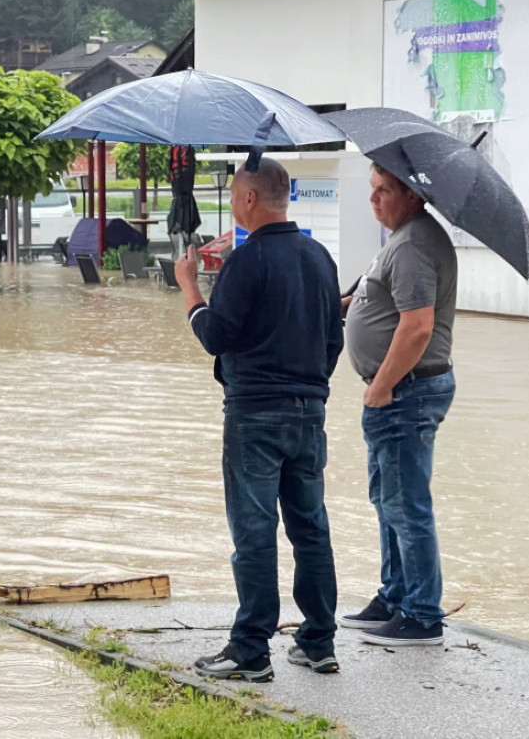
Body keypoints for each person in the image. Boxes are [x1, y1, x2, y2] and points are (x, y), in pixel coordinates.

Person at [176, 153, 344, 682]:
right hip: (309, 410)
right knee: (311, 528)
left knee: (254, 532)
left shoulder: (245, 262)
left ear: (249, 198)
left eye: (231, 198)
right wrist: (309, 385)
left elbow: (216, 337)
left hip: (254, 414)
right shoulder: (320, 257)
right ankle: (319, 641)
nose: (232, 207)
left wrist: (190, 289)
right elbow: (334, 339)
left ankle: (250, 649)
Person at [339, 163, 457, 646]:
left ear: (410, 195)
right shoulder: (404, 238)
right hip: (399, 392)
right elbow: (386, 304)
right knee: (388, 500)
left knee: (407, 506)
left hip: (405, 393)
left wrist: (380, 387)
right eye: (372, 189)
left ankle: (422, 615)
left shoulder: (411, 245)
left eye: (383, 191)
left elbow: (417, 327)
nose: (373, 200)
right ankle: (395, 596)